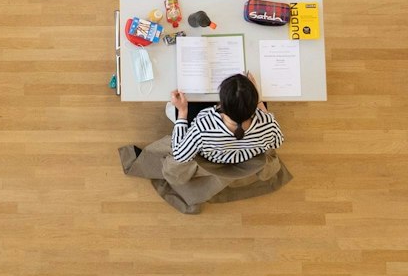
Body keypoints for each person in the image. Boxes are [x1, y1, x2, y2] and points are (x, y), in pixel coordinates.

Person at [119, 73, 292, 213]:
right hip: (242, 159)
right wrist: (261, 103)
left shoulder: (204, 127)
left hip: (212, 157)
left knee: (189, 105)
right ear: (253, 105)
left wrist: (182, 112)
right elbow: (277, 142)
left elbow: (179, 153)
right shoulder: (267, 125)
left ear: (221, 104)